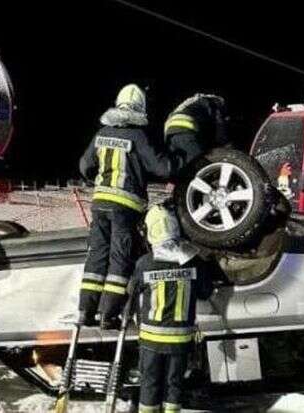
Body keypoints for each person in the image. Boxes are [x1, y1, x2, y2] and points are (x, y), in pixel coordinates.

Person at [78, 84, 182, 329]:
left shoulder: (102, 133)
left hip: (100, 203)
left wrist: (100, 178)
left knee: (96, 255)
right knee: (119, 258)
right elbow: (162, 168)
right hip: (125, 206)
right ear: (141, 108)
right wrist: (176, 159)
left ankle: (85, 311)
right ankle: (109, 315)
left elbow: (84, 166)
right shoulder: (138, 136)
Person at [128, 204, 223, 413]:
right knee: (174, 386)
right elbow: (205, 293)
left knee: (150, 384)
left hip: (151, 340)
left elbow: (132, 291)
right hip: (180, 341)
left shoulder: (144, 263)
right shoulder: (193, 262)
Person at [164, 93, 228, 170]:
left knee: (182, 167)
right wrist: (225, 147)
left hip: (170, 133)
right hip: (185, 129)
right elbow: (219, 126)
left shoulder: (193, 102)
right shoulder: (213, 102)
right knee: (203, 166)